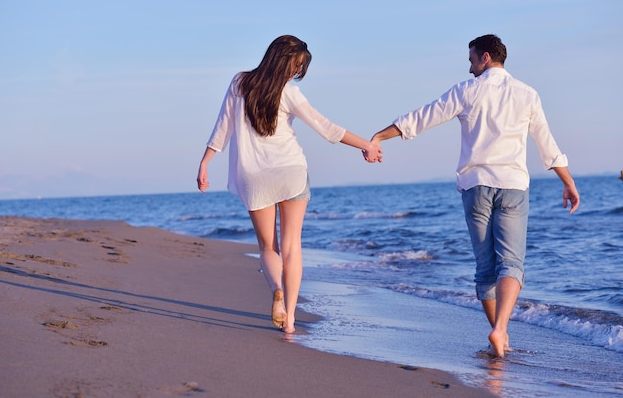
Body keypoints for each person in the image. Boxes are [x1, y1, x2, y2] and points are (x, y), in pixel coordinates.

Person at [370, 34, 580, 357]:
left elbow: (424, 116)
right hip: (512, 185)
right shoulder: (527, 94)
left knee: (485, 268)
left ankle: (499, 332)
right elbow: (547, 144)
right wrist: (568, 182)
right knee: (511, 263)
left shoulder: (467, 91)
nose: (469, 68)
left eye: (471, 61)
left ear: (484, 57)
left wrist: (381, 135)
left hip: (476, 186)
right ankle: (500, 330)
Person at [197, 35, 382, 334]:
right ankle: (291, 320)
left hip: (253, 175)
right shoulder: (290, 93)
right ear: (285, 60)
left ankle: (276, 291)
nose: (296, 73)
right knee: (292, 246)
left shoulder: (239, 83)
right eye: (296, 66)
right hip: (291, 170)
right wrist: (367, 145)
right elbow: (328, 129)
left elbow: (223, 128)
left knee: (268, 247)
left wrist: (205, 162)